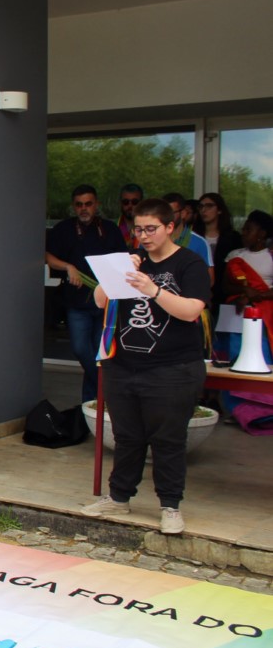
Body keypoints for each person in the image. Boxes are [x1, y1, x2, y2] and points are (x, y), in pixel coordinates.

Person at [82, 198, 209, 535]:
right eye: (138, 229)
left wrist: (153, 290)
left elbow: (191, 311)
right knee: (127, 437)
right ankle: (119, 497)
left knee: (168, 439)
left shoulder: (189, 263)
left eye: (151, 228)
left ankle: (170, 506)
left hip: (173, 367)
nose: (144, 235)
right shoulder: (131, 261)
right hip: (123, 364)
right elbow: (98, 301)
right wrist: (117, 274)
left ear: (170, 227)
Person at [45, 184, 127, 403]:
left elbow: (122, 260)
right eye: (79, 204)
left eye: (88, 204)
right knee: (81, 349)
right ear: (74, 206)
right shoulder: (64, 228)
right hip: (76, 302)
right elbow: (48, 256)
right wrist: (68, 267)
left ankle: (91, 404)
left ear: (96, 204)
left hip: (104, 301)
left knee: (99, 355)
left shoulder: (109, 229)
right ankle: (106, 387)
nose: (84, 208)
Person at [224, 209, 273, 353]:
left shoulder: (270, 256)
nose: (243, 233)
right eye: (243, 229)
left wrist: (255, 296)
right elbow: (226, 287)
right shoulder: (235, 256)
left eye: (248, 229)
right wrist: (244, 291)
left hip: (266, 313)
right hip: (237, 312)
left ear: (262, 234)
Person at [163, 192, 214, 285]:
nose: (166, 217)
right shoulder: (150, 239)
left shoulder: (199, 242)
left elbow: (209, 280)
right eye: (162, 213)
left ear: (183, 213)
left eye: (171, 213)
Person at [116, 183, 144, 249]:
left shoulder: (150, 228)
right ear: (120, 203)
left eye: (135, 202)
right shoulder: (112, 227)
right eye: (126, 202)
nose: (130, 206)